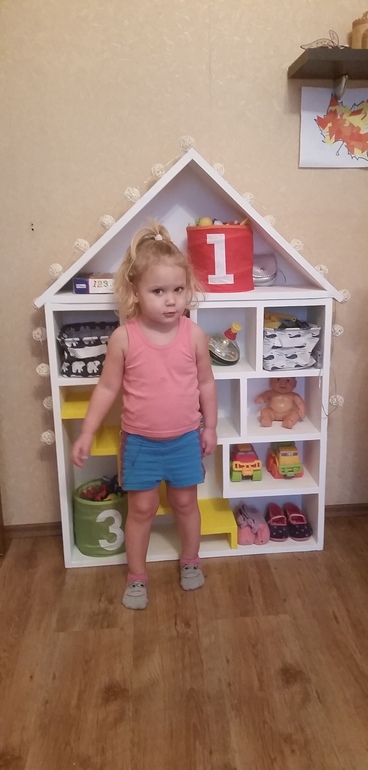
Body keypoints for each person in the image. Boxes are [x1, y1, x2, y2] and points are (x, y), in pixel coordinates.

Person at [72, 222, 217, 610]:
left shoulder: (194, 335)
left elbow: (206, 384)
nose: (171, 301)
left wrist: (211, 427)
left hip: (185, 439)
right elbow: (106, 389)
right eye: (158, 291)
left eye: (178, 290)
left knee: (186, 504)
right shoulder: (124, 338)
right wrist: (86, 432)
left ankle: (190, 560)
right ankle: (136, 575)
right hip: (139, 444)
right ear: (135, 292)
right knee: (140, 509)